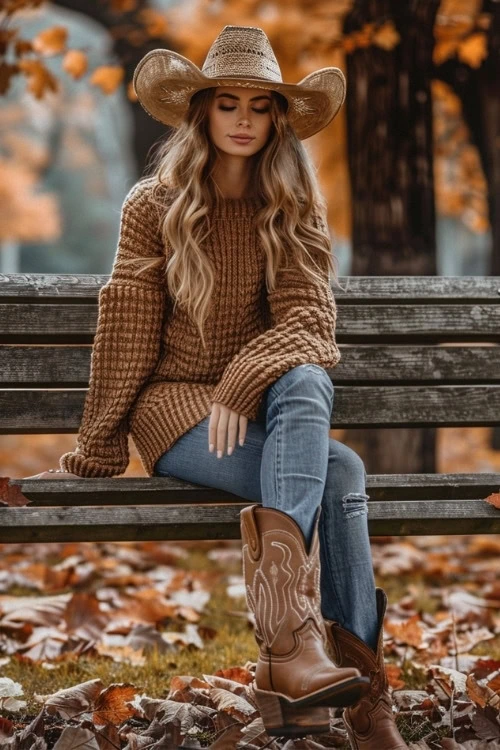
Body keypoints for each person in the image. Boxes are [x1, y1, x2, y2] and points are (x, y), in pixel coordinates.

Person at [28, 25, 408, 748]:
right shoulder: (154, 204)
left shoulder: (293, 207)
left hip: (258, 409)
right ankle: (349, 696)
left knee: (311, 392)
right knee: (343, 467)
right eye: (227, 102)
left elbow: (311, 324)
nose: (242, 118)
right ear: (202, 113)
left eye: (259, 106)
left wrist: (239, 383)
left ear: (277, 120)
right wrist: (95, 451)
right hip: (174, 414)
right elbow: (129, 331)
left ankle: (303, 666)